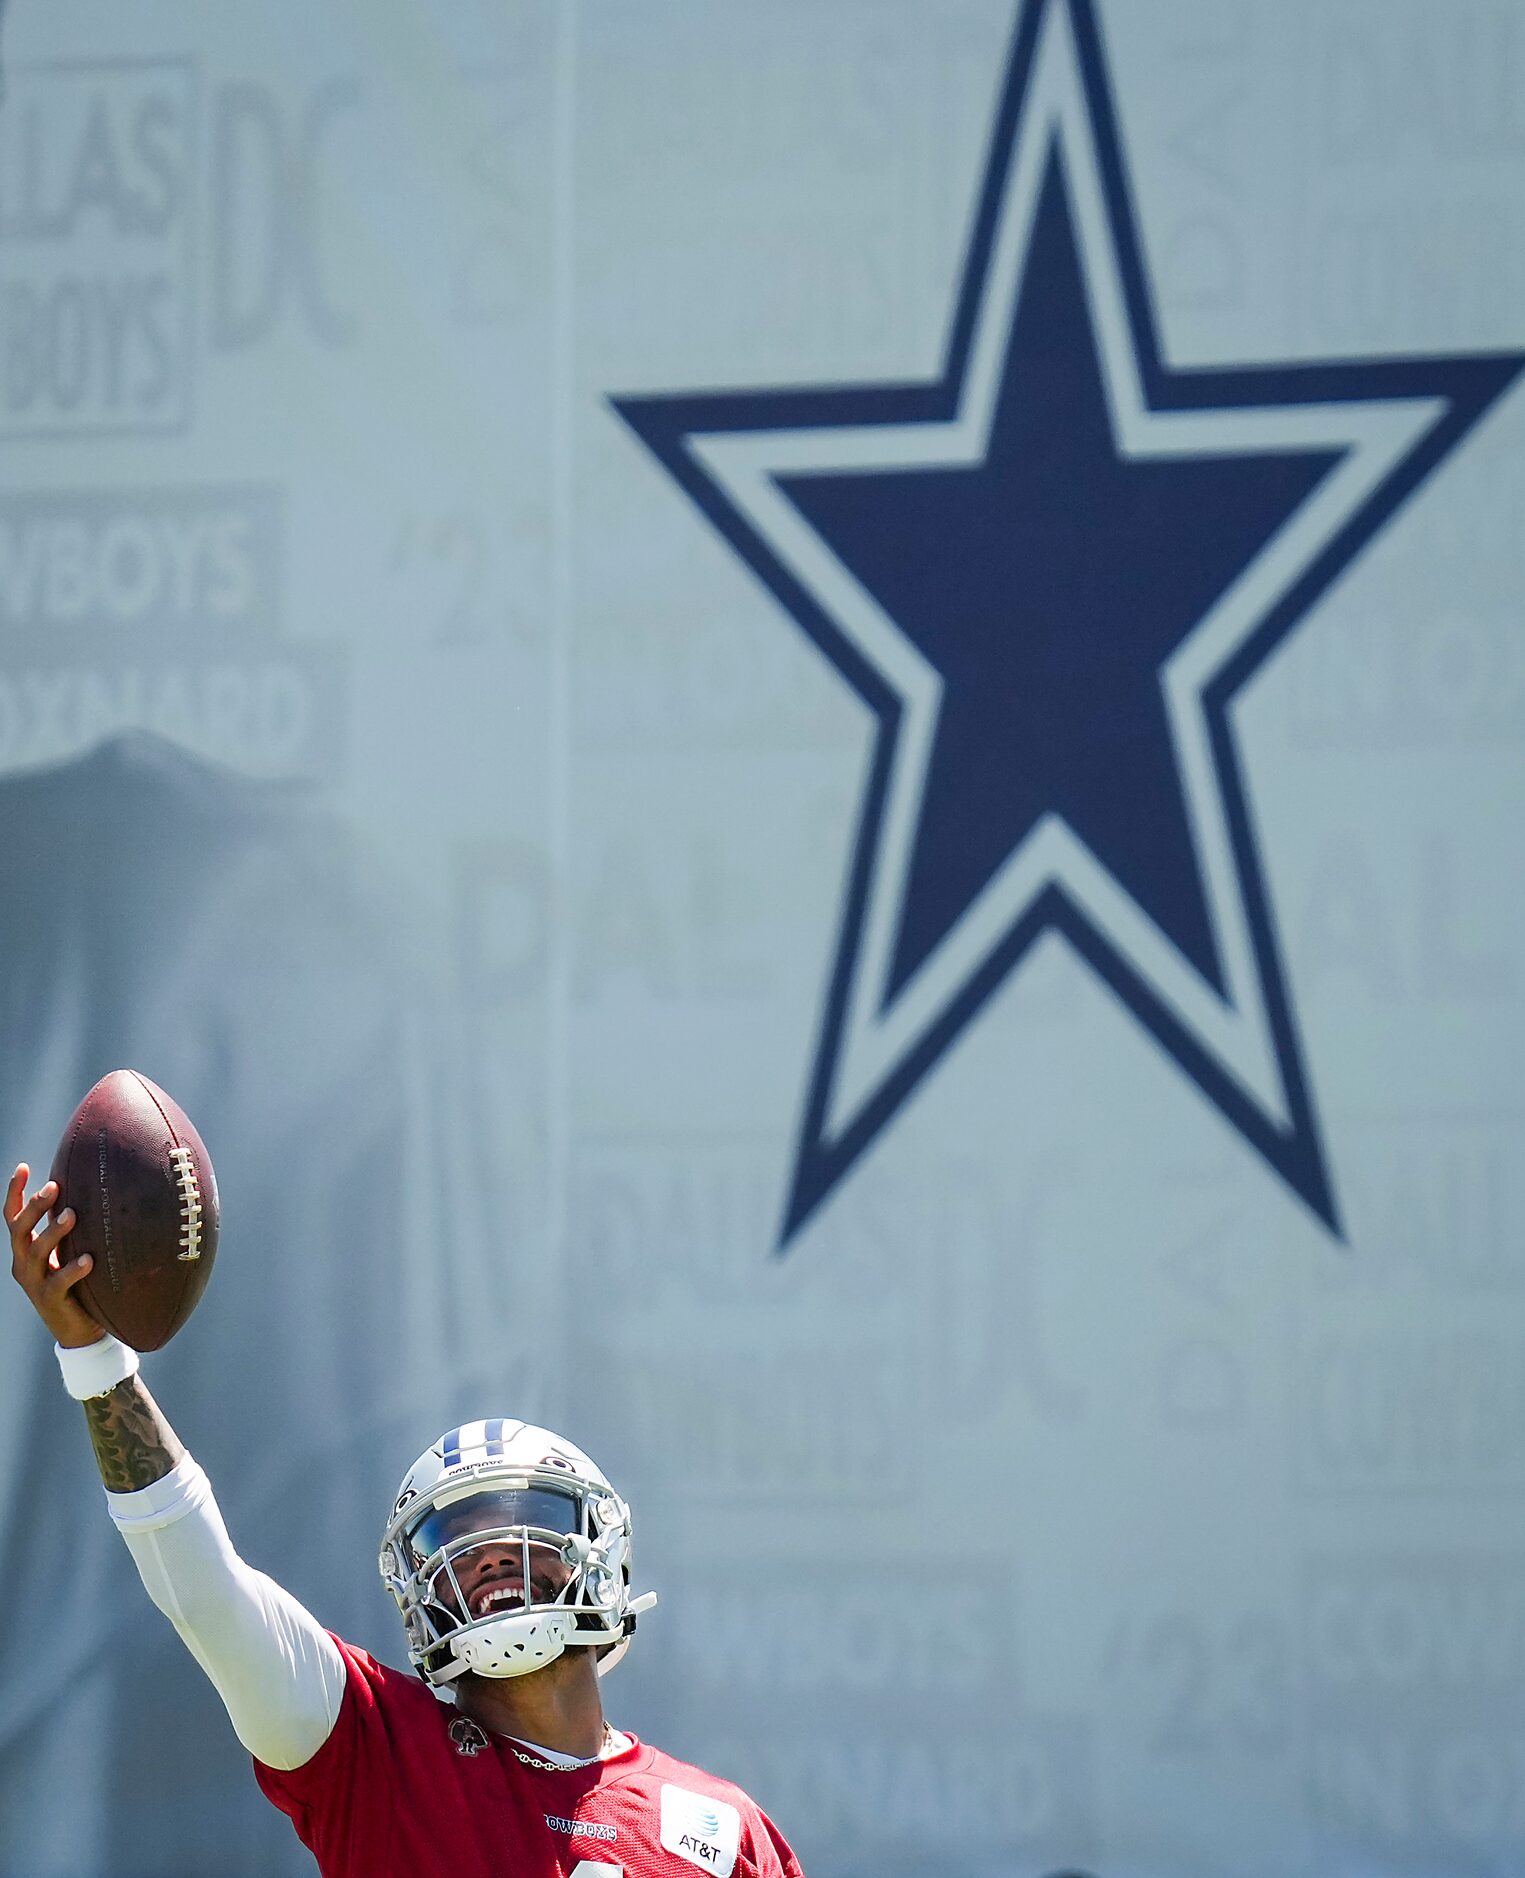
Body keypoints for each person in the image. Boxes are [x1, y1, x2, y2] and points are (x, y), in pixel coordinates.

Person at [7, 1166, 804, 1878]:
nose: (491, 1554)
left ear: (602, 1552)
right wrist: (95, 1363)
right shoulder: (373, 1748)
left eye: (520, 1521)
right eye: (453, 1546)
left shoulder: (725, 1831)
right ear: (416, 1592)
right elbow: (204, 1590)